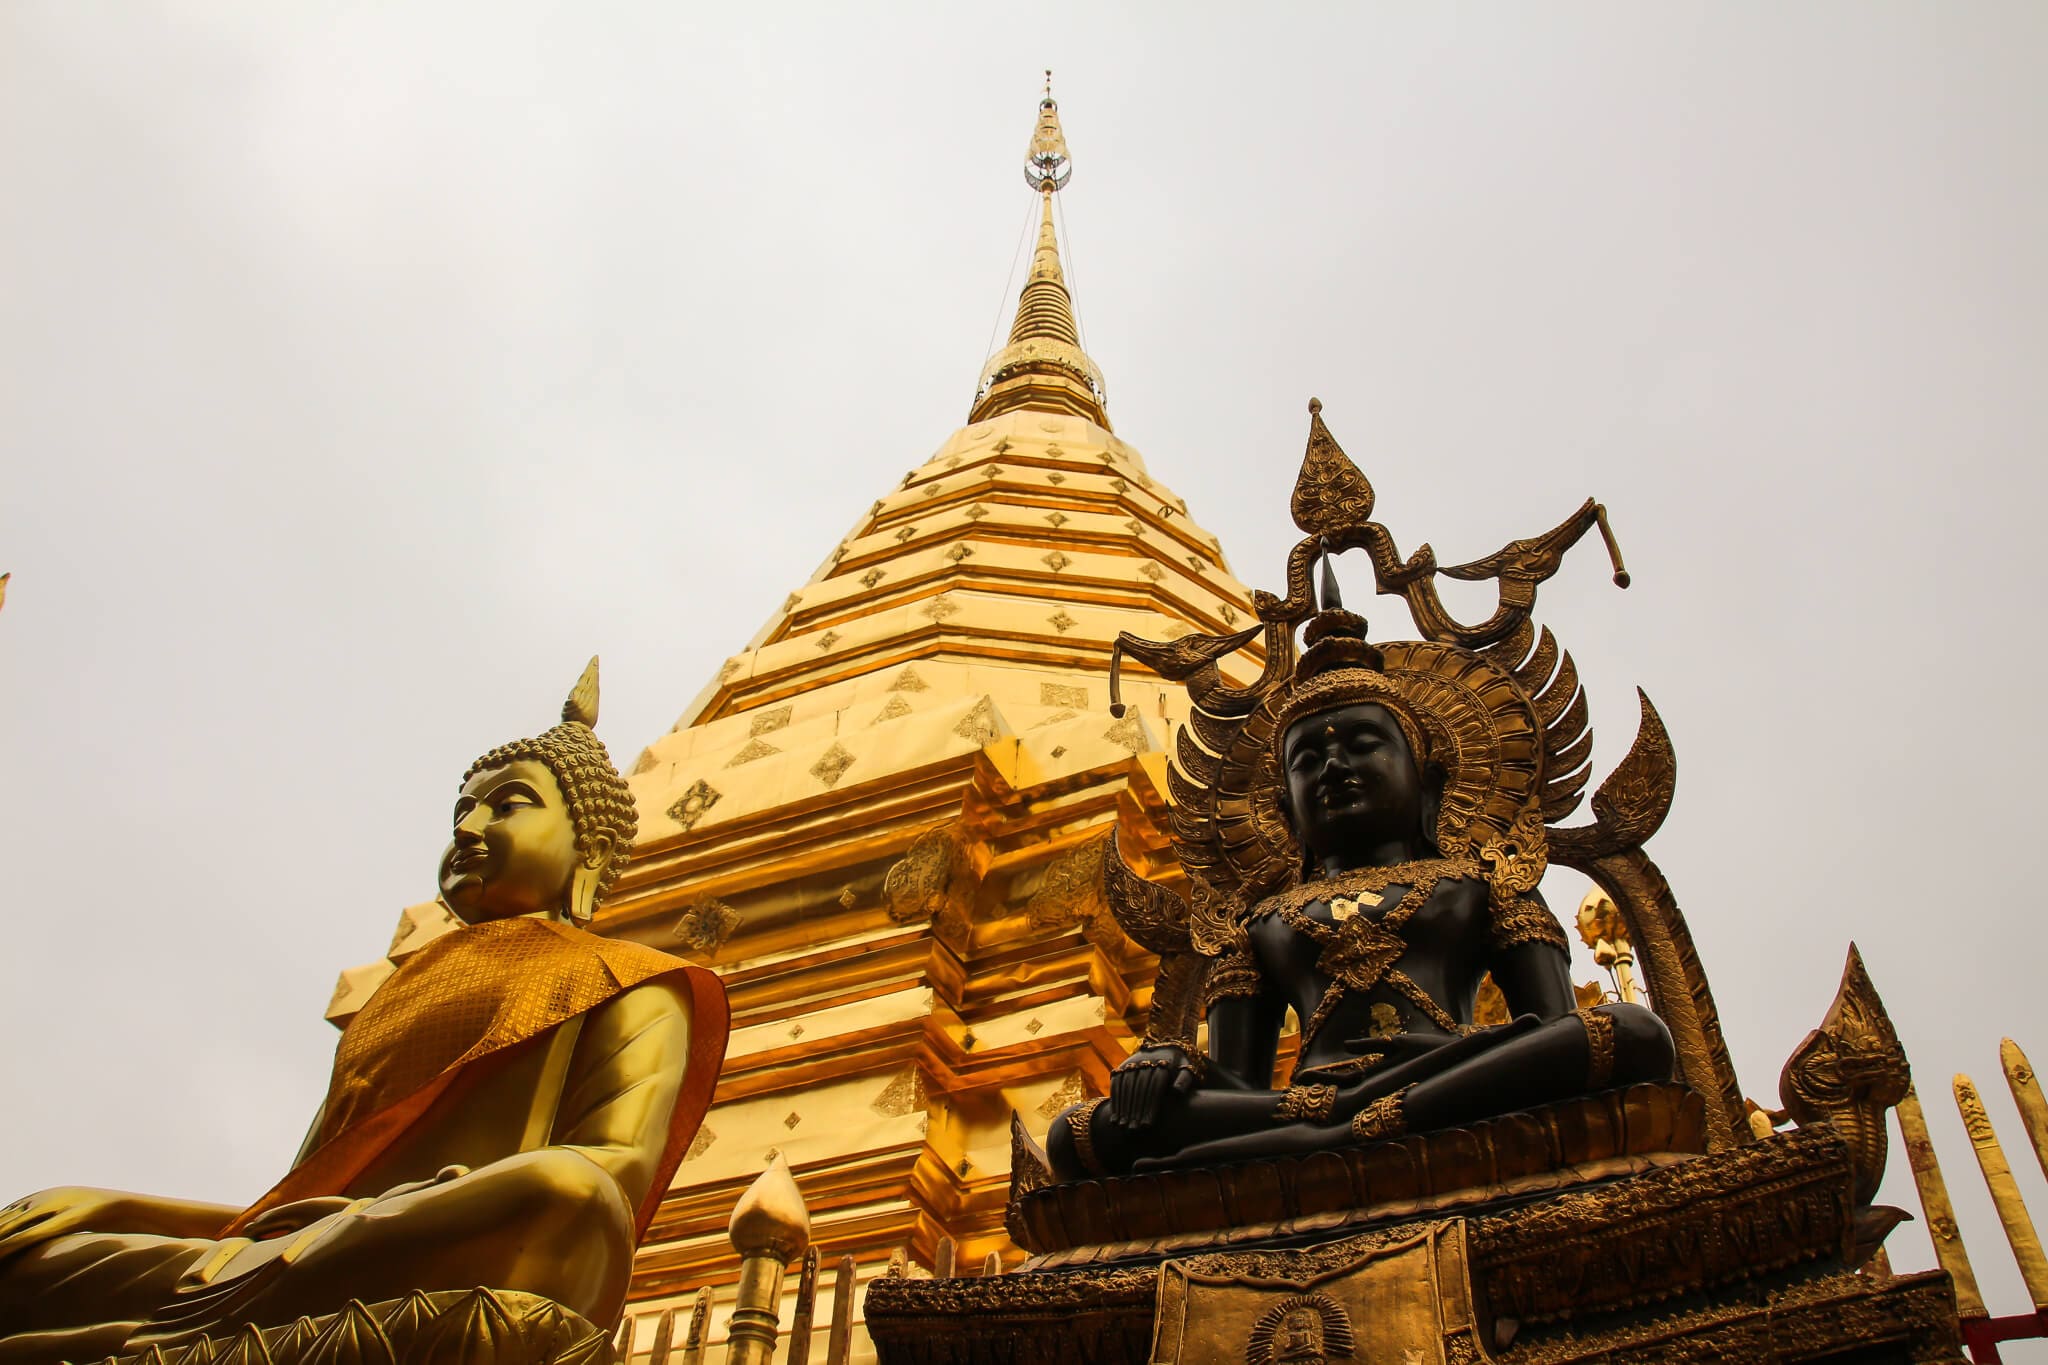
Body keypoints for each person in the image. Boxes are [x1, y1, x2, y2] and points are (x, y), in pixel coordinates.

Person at [0, 661, 727, 1361]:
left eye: (507, 806)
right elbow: (286, 1205)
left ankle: (172, 1332)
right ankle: (199, 1325)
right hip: (315, 1257)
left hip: (450, 1244)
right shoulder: (397, 999)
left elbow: (609, 1170)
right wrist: (118, 1209)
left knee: (564, 1193)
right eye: (463, 811)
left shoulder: (636, 981)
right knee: (30, 1257)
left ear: (590, 850)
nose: (470, 828)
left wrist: (340, 1228)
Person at [1047, 614, 1672, 1179]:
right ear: (1282, 807)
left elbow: (1557, 1027)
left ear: (1427, 777)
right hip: (1306, 1102)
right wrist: (1171, 1065)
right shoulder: (1259, 925)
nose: (1333, 768)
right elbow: (1238, 1081)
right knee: (1080, 1135)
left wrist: (1460, 1054)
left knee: (1629, 1033)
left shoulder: (1485, 886)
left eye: (1364, 746)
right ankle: (1364, 1116)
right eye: (1307, 759)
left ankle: (1347, 1125)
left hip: (1453, 1070)